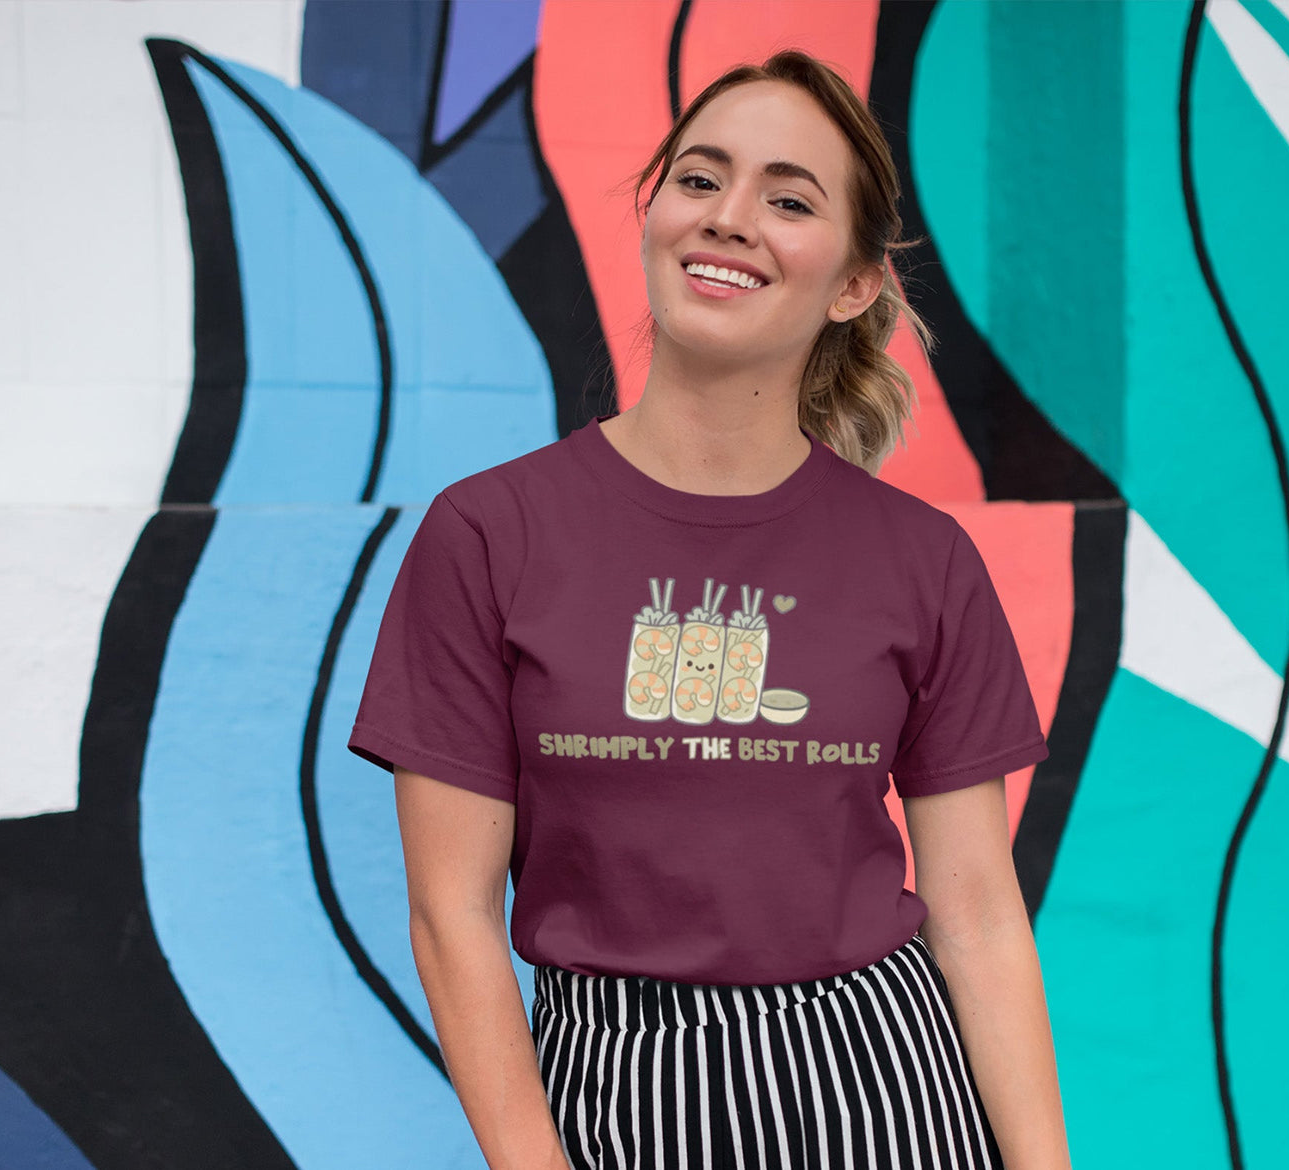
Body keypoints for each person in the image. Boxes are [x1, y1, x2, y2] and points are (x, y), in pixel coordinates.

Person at [348, 49, 1072, 1170]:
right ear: (652, 216)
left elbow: (977, 917)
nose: (732, 217)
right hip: (616, 1102)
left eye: (790, 199)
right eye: (701, 179)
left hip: (888, 1094)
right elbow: (452, 920)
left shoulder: (922, 561)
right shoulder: (489, 535)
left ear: (852, 284)